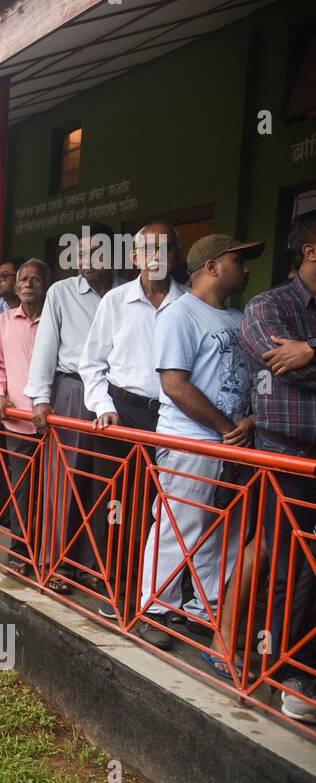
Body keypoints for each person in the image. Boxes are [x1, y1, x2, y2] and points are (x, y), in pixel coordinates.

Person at [136, 234, 259, 653]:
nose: (247, 268)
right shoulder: (180, 315)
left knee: (219, 531)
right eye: (238, 260)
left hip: (231, 443)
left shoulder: (239, 317)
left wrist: (246, 424)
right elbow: (174, 384)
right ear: (211, 267)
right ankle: (153, 608)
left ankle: (201, 608)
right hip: (191, 441)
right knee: (179, 526)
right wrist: (228, 427)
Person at [80, 222, 186, 614]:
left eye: (165, 249)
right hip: (122, 413)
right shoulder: (116, 301)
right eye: (147, 250)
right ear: (135, 256)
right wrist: (103, 406)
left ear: (175, 256)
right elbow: (91, 362)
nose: (156, 257)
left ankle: (158, 598)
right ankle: (118, 588)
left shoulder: (187, 303)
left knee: (167, 507)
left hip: (175, 418)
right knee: (120, 506)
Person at [239, 213, 316, 721]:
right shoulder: (268, 306)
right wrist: (302, 356)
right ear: (311, 249)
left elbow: (305, 367)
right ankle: (288, 671)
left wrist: (311, 350)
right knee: (295, 569)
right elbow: (285, 373)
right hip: (286, 457)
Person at [25, 225, 116, 592]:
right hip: (73, 391)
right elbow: (45, 346)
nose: (85, 260)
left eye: (95, 251)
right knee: (66, 480)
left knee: (106, 483)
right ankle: (56, 563)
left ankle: (94, 568)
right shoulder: (62, 292)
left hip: (116, 396)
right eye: (79, 253)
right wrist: (41, 399)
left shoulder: (127, 291)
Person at [0, 260, 48, 570]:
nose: (27, 284)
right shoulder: (3, 321)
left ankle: (53, 557)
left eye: (34, 279)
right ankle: (21, 552)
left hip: (54, 420)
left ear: (45, 283)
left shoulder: (55, 317)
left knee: (54, 491)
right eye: (22, 279)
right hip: (17, 420)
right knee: (21, 490)